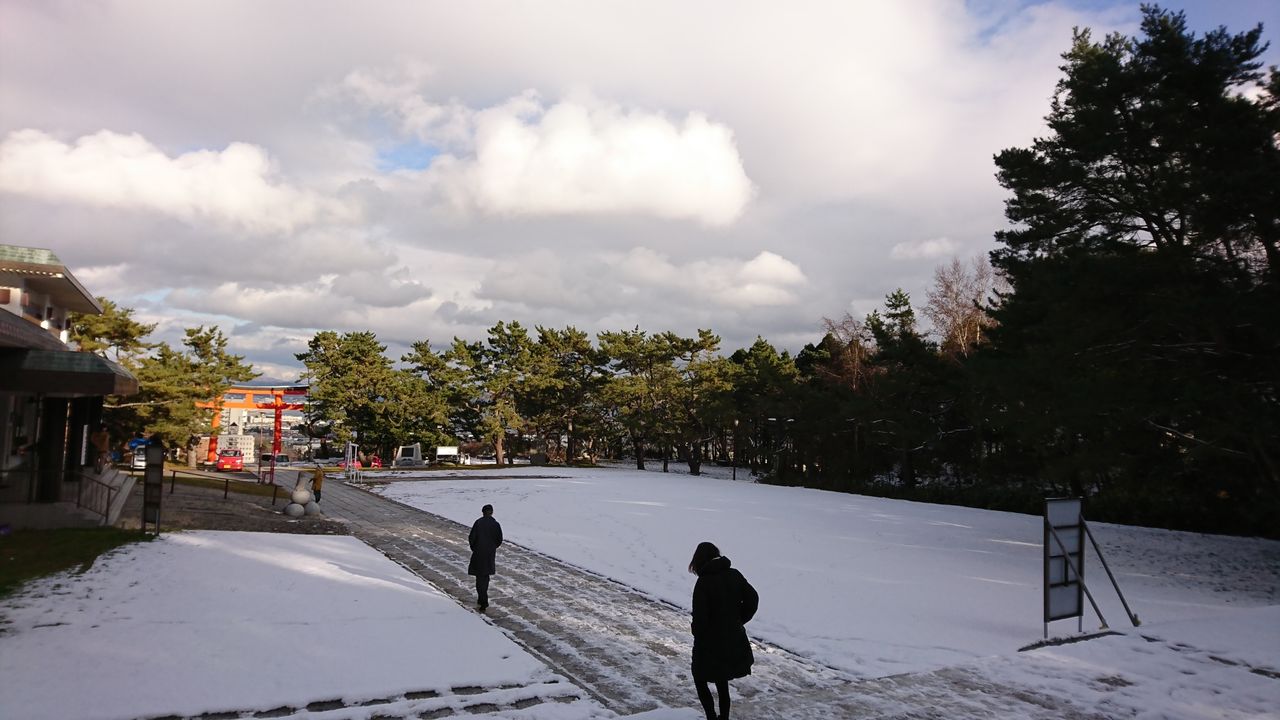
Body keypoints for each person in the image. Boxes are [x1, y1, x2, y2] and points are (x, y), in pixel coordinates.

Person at [688, 541, 759, 720]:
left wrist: (698, 633)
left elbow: (700, 617)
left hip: (709, 642)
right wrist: (738, 621)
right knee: (722, 679)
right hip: (732, 639)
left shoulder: (703, 583)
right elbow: (752, 599)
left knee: (699, 677)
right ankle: (724, 718)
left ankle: (711, 717)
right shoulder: (734, 575)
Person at [467, 504, 503, 612]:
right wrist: (492, 548)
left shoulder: (478, 523)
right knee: (485, 577)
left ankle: (482, 600)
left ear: (483, 512)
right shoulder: (495, 524)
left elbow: (471, 537)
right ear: (491, 512)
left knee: (479, 578)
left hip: (478, 553)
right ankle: (483, 600)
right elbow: (499, 539)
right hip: (489, 554)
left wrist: (475, 548)